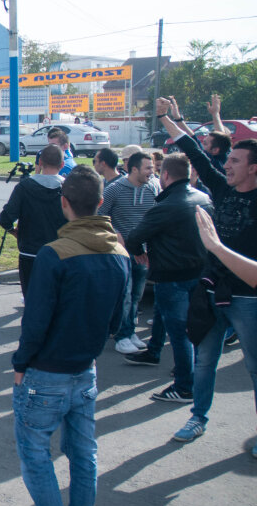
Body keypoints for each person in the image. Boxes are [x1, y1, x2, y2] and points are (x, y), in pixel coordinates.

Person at [11, 166, 129, 506]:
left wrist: (20, 364)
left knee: (35, 454)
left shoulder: (54, 253)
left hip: (47, 371)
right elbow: (118, 319)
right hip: (86, 369)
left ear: (65, 203)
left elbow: (36, 320)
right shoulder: (118, 250)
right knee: (83, 454)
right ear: (100, 203)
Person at [155, 99, 257, 448]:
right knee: (204, 362)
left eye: (234, 161)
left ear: (254, 168)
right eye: (227, 160)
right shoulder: (225, 189)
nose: (225, 165)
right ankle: (197, 417)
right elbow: (193, 151)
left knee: (254, 368)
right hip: (213, 293)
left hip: (248, 299)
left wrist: (215, 247)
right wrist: (165, 118)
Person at [121, 155, 212, 406]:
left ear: (166, 176)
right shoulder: (203, 199)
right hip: (198, 273)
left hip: (172, 276)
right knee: (171, 320)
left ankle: (184, 386)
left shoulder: (165, 206)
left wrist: (140, 252)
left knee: (181, 332)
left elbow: (134, 237)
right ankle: (154, 351)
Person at [98, 150, 160, 355]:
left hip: (142, 253)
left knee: (136, 296)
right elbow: (99, 215)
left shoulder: (153, 188)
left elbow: (157, 216)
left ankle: (130, 331)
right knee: (124, 295)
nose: (152, 171)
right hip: (120, 254)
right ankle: (122, 336)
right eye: (148, 168)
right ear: (134, 169)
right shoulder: (114, 189)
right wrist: (115, 233)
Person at [0, 145, 67, 298]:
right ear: (62, 165)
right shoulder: (68, 188)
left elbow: (5, 218)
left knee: (32, 300)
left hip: (30, 252)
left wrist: (13, 231)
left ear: (40, 163)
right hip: (61, 252)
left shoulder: (24, 187)